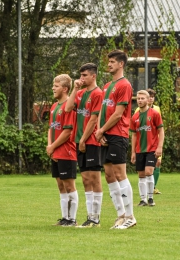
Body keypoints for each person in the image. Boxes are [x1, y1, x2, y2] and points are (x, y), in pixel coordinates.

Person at [95, 49, 136, 229]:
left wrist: (102, 129)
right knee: (110, 175)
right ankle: (120, 215)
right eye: (109, 61)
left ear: (121, 64)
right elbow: (102, 112)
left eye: (113, 61)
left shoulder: (124, 85)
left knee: (120, 174)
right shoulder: (106, 86)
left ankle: (130, 216)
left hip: (118, 134)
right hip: (105, 134)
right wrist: (100, 131)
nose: (109, 64)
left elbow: (119, 114)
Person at [65, 63, 103, 228]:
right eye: (80, 76)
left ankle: (96, 218)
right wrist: (74, 89)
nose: (81, 79)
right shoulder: (80, 93)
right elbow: (67, 108)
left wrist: (83, 140)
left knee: (94, 178)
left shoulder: (98, 93)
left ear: (93, 76)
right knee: (86, 179)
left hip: (91, 141)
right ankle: (89, 217)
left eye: (85, 76)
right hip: (79, 140)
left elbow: (94, 119)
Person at [46, 74, 78, 226]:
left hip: (66, 151)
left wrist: (53, 146)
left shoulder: (68, 107)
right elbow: (51, 128)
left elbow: (67, 132)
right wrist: (49, 146)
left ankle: (72, 219)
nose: (53, 87)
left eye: (56, 85)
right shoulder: (54, 107)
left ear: (65, 89)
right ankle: (65, 217)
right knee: (60, 185)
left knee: (69, 185)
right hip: (55, 151)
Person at [130, 90, 164, 206]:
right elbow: (134, 135)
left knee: (149, 171)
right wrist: (133, 152)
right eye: (138, 99)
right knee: (141, 175)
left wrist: (160, 147)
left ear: (148, 100)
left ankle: (150, 198)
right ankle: (143, 199)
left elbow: (161, 130)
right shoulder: (134, 117)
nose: (140, 100)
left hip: (152, 148)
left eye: (142, 98)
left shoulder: (154, 114)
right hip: (140, 149)